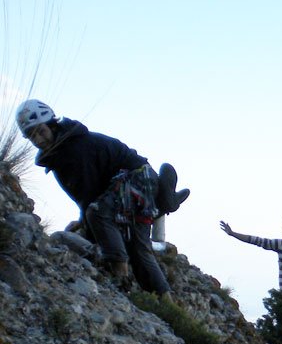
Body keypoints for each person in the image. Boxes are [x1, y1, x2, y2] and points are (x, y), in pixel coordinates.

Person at [16, 99, 189, 296]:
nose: (38, 140)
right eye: (31, 136)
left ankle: (119, 272)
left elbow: (90, 196)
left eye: (41, 131)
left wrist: (85, 224)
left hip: (136, 179)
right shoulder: (63, 152)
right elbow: (92, 193)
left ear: (52, 125)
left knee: (97, 213)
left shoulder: (73, 150)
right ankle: (163, 298)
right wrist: (83, 222)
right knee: (137, 247)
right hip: (136, 182)